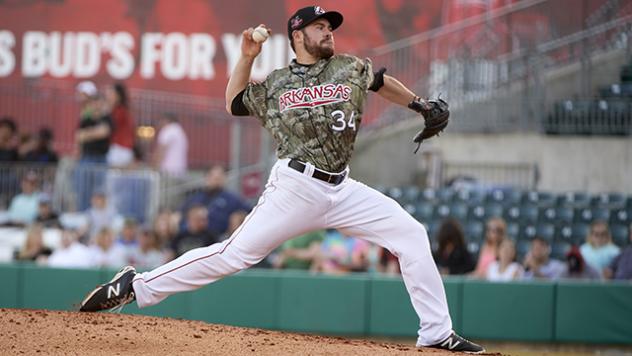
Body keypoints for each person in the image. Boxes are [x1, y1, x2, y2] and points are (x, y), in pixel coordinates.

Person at [79, 6, 483, 353]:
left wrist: (420, 105)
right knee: (234, 255)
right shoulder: (275, 84)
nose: (329, 32)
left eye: (331, 27)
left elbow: (380, 82)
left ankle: (435, 333)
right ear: (298, 34)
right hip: (295, 187)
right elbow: (234, 102)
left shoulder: (349, 67)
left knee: (410, 234)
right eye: (321, 27)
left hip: (342, 188)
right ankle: (137, 285)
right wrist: (246, 56)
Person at [73, 81, 112, 211]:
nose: (96, 105)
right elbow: (79, 136)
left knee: (99, 190)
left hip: (101, 159)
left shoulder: (106, 118)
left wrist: (88, 133)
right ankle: (83, 213)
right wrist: (95, 132)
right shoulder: (86, 118)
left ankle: (98, 214)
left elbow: (105, 131)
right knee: (83, 189)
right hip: (87, 158)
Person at [179, 165, 250, 236]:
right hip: (192, 234)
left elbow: (248, 211)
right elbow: (182, 213)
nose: (217, 179)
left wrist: (238, 216)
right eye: (214, 177)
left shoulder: (232, 198)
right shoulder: (196, 197)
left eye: (220, 176)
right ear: (207, 177)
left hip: (219, 235)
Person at [105, 83, 135, 167]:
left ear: (118, 96)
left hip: (120, 148)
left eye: (111, 94)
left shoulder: (120, 111)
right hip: (120, 148)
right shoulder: (120, 110)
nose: (108, 97)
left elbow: (109, 127)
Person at [153, 112, 188, 177]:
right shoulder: (180, 131)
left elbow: (162, 150)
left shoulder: (168, 130)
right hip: (179, 170)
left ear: (166, 120)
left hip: (167, 171)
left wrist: (155, 167)